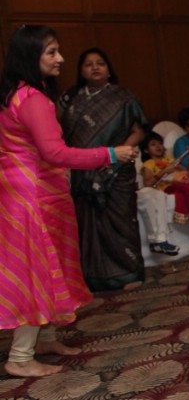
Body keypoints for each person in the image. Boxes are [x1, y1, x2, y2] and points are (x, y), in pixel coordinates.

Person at [1, 25, 139, 377]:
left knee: (46, 266)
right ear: (30, 56)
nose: (60, 58)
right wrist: (111, 153)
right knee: (36, 269)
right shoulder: (32, 98)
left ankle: (44, 338)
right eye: (51, 52)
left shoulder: (14, 94)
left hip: (26, 190)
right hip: (34, 195)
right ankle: (20, 357)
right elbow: (54, 152)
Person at [58, 47, 147, 291]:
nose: (95, 67)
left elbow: (138, 131)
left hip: (117, 171)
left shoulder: (123, 97)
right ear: (81, 70)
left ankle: (128, 274)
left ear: (109, 69)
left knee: (120, 221)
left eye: (100, 63)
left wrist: (119, 154)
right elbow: (60, 136)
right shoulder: (71, 99)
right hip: (81, 171)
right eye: (88, 64)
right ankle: (94, 277)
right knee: (87, 223)